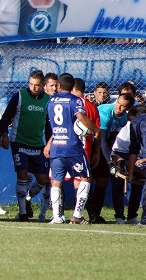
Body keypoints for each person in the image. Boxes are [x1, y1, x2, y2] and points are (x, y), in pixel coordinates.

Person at [43, 73, 100, 224]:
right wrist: (95, 129)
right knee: (86, 177)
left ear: (59, 86)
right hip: (72, 146)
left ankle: (57, 217)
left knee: (56, 181)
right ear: (72, 86)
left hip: (56, 146)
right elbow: (81, 117)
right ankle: (77, 215)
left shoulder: (51, 101)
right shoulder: (76, 100)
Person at [0, 70, 51, 222]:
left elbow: (49, 125)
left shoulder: (48, 100)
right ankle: (22, 212)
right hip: (19, 142)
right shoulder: (19, 96)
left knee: (42, 179)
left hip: (39, 145)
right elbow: (6, 117)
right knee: (22, 175)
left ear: (43, 85)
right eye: (31, 84)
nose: (34, 88)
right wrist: (5, 135)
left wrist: (48, 144)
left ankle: (27, 199)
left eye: (37, 85)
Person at [91, 92, 135, 224]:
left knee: (102, 181)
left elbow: (115, 140)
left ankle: (96, 215)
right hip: (94, 143)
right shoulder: (104, 112)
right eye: (118, 103)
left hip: (106, 147)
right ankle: (89, 214)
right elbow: (102, 140)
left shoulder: (124, 118)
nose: (118, 107)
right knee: (89, 180)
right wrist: (110, 162)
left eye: (123, 106)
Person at [108, 105, 146, 225]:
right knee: (117, 185)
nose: (131, 122)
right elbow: (127, 151)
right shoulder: (129, 128)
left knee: (138, 184)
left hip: (138, 156)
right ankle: (119, 216)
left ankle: (132, 216)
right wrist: (127, 166)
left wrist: (144, 160)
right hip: (121, 154)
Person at [37, 71, 58, 221]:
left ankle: (43, 213)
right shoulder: (42, 102)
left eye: (56, 85)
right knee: (42, 178)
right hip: (40, 144)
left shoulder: (59, 101)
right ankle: (27, 197)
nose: (55, 88)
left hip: (57, 145)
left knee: (50, 181)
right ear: (45, 86)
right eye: (52, 85)